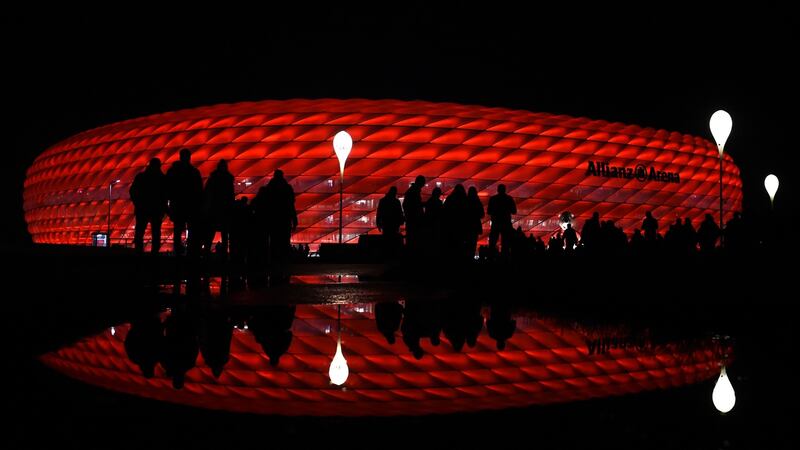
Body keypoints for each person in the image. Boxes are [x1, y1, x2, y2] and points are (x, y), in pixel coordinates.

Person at [165, 148, 203, 256]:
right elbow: (199, 190)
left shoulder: (173, 171)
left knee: (179, 229)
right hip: (189, 206)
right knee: (189, 229)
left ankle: (179, 252)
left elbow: (166, 188)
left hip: (179, 205)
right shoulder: (193, 172)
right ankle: (190, 252)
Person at [129, 158, 167, 254]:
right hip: (156, 209)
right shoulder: (162, 178)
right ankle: (154, 253)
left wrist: (137, 203)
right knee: (156, 232)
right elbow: (166, 195)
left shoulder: (141, 177)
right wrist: (164, 208)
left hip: (142, 208)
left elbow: (133, 191)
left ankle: (139, 253)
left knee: (140, 232)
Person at [202, 160, 234, 257]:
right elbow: (230, 195)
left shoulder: (213, 178)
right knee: (223, 231)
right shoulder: (228, 179)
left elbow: (207, 193)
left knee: (211, 231)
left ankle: (207, 251)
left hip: (215, 209)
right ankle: (224, 253)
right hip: (222, 209)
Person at [487, 184, 517, 257]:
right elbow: (514, 211)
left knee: (493, 242)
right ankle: (505, 259)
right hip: (506, 223)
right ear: (505, 190)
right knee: (506, 243)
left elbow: (489, 211)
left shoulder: (493, 199)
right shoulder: (509, 199)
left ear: (498, 190)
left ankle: (491, 257)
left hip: (496, 223)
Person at [376, 186, 404, 256]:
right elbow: (399, 212)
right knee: (393, 240)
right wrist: (401, 221)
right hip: (394, 224)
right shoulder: (396, 201)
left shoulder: (383, 201)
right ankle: (392, 254)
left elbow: (379, 213)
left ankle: (386, 254)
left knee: (386, 239)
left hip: (386, 224)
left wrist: (378, 223)